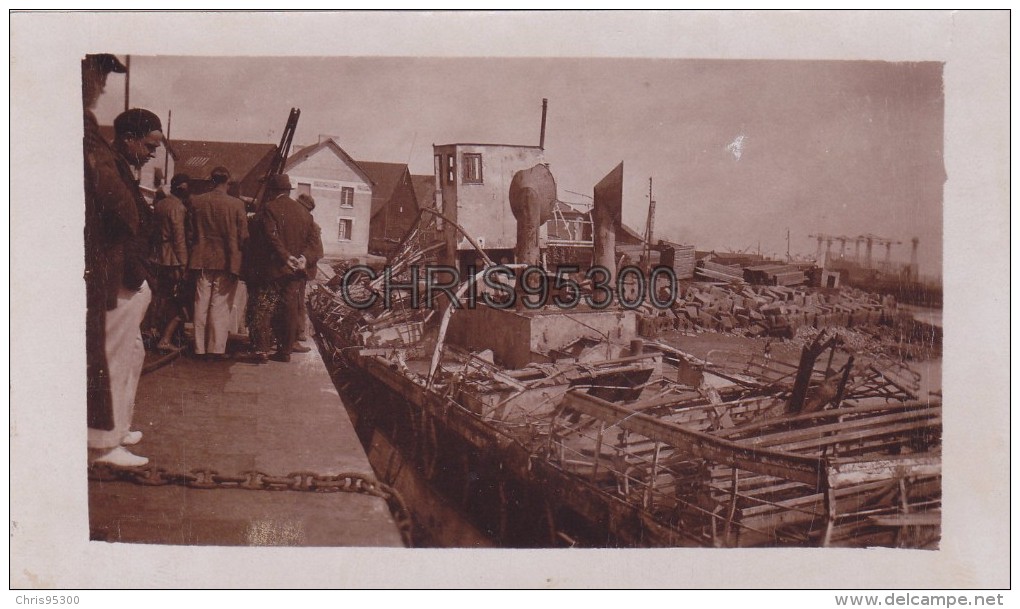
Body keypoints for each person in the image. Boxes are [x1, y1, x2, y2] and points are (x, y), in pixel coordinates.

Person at [85, 97, 164, 468]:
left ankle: (118, 428)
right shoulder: (111, 167)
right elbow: (122, 223)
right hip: (118, 278)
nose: (152, 154)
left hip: (129, 276)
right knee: (114, 358)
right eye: (149, 146)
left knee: (132, 354)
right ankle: (102, 444)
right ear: (129, 138)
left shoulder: (119, 167)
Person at [248, 174, 323, 363]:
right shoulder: (305, 214)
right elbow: (314, 244)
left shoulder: (270, 208)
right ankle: (285, 351)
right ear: (288, 191)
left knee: (264, 306)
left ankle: (262, 349)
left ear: (273, 191)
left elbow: (270, 236)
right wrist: (303, 259)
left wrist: (285, 257)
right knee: (289, 309)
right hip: (296, 271)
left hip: (273, 269)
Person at [187, 166, 248, 359]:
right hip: (228, 260)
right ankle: (216, 349)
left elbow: (190, 232)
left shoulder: (196, 201)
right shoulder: (237, 205)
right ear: (227, 182)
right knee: (220, 305)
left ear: (211, 180)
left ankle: (198, 348)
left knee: (200, 303)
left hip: (201, 258)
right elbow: (244, 235)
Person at [150, 173, 191, 352]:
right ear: (183, 189)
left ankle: (157, 333)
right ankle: (166, 338)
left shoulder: (160, 204)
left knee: (160, 297)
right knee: (180, 299)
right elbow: (179, 238)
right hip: (172, 258)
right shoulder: (178, 207)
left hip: (157, 255)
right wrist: (184, 263)